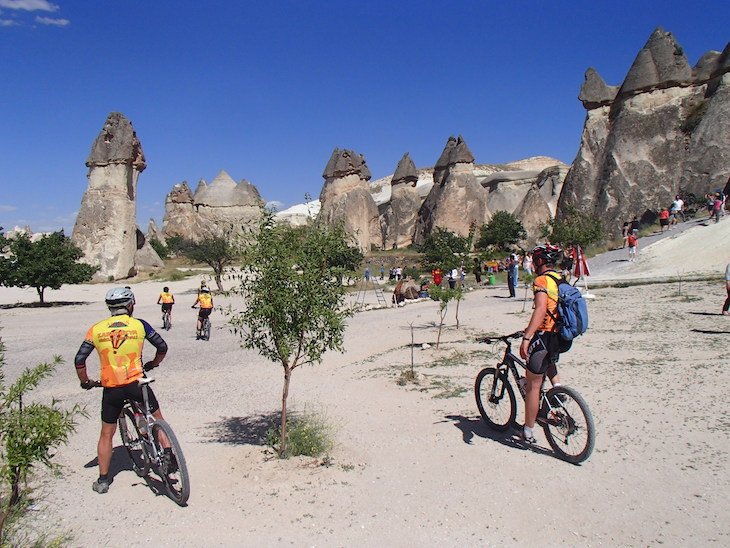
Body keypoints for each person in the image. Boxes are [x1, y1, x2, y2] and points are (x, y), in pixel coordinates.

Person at [74, 287, 169, 494]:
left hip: (112, 388)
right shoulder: (140, 325)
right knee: (157, 418)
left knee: (107, 433)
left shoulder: (96, 329)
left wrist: (86, 382)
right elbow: (162, 347)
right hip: (136, 383)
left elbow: (79, 360)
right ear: (130, 304)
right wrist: (153, 363)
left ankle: (103, 480)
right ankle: (170, 456)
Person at [518, 244, 565, 444]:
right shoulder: (560, 278)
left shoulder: (541, 280)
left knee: (532, 385)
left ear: (538, 262)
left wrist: (527, 337)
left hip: (545, 335)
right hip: (561, 336)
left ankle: (528, 431)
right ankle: (559, 390)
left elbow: (540, 310)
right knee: (548, 361)